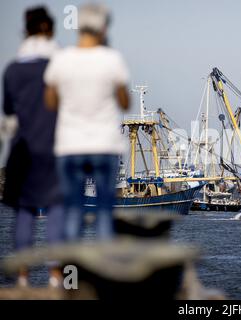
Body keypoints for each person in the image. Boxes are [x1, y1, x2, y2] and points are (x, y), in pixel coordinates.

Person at [44, 4, 130, 241]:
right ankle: (102, 272)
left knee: (72, 212)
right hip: (104, 146)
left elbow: (50, 101)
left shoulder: (61, 59)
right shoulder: (112, 59)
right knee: (104, 213)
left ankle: (70, 275)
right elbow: (125, 102)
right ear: (103, 29)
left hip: (71, 146)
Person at [2, 6, 63, 287]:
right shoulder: (60, 66)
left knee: (24, 212)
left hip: (23, 147)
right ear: (50, 30)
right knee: (55, 211)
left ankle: (23, 277)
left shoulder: (12, 71)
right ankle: (54, 276)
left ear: (24, 31)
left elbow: (9, 109)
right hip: (54, 146)